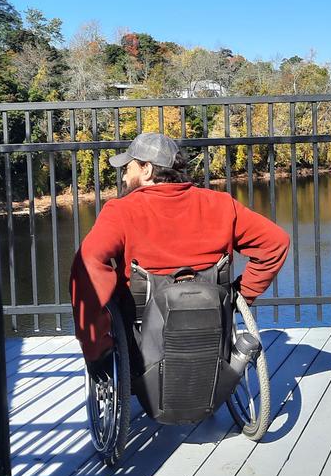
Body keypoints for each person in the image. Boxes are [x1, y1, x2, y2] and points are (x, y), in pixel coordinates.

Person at [69, 131, 290, 375]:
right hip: (212, 326)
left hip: (143, 340)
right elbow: (276, 242)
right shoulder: (221, 204)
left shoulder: (121, 211)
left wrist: (96, 348)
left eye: (128, 167)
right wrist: (242, 294)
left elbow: (88, 262)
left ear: (146, 170)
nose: (123, 175)